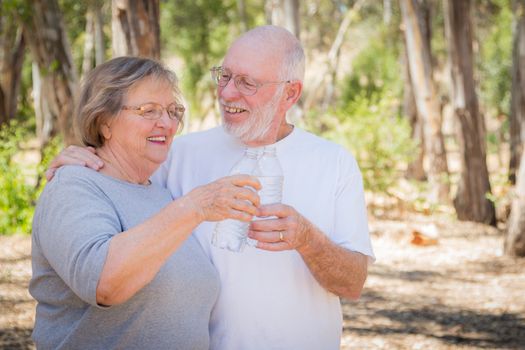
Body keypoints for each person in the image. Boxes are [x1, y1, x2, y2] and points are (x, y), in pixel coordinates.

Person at [47, 26, 375, 349]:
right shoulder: (175, 154)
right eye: (225, 76)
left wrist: (307, 239)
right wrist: (84, 155)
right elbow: (119, 180)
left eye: (247, 83)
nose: (227, 93)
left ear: (289, 93)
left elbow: (353, 283)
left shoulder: (333, 163)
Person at [30, 56, 261, 350]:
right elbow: (106, 284)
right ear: (104, 122)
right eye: (148, 110)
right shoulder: (74, 186)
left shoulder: (159, 191)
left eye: (173, 111)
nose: (166, 123)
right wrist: (195, 207)